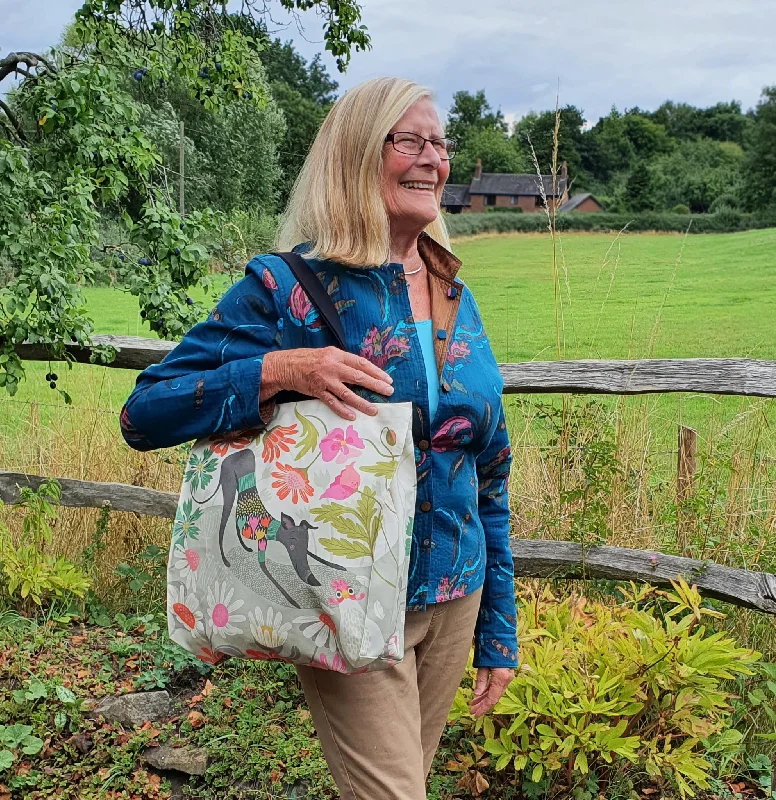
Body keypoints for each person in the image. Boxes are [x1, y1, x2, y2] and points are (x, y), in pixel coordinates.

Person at [120, 76, 517, 800]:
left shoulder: (453, 290)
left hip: (456, 593)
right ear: (359, 155)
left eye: (441, 143)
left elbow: (490, 469)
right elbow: (145, 412)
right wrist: (278, 369)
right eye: (411, 141)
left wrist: (497, 629)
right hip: (345, 592)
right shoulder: (287, 288)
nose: (433, 158)